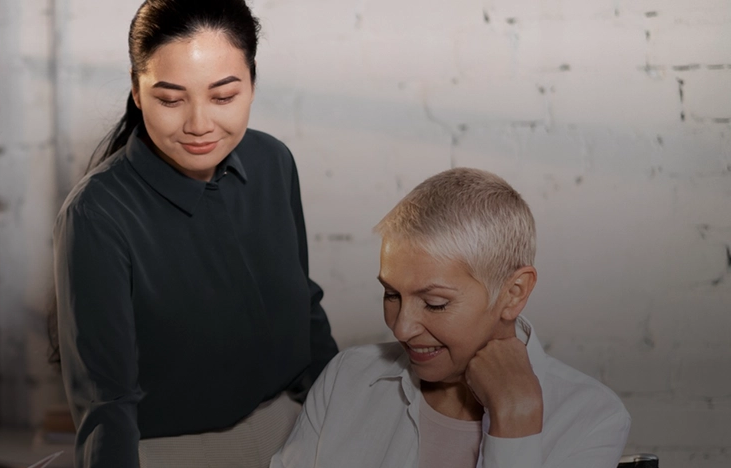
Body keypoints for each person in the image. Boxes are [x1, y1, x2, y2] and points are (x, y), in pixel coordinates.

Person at [53, 1, 339, 466]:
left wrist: (348, 423)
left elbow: (305, 310)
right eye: (170, 99)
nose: (199, 125)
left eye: (223, 96)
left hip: (298, 433)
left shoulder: (274, 162)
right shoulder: (96, 213)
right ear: (136, 90)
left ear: (251, 82)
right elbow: (107, 406)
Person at [271, 168, 631, 467]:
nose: (401, 328)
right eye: (392, 294)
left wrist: (513, 424)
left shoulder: (591, 417)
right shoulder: (346, 377)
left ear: (514, 293)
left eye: (435, 303)